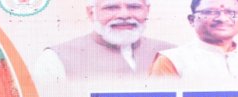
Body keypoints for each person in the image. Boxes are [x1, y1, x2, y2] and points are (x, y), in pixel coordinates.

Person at [36, 0, 173, 80]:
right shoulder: (55, 59)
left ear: (147, 10)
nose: (124, 15)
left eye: (134, 7)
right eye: (111, 7)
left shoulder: (172, 54)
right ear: (91, 13)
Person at [150, 0, 238, 85]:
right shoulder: (172, 60)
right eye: (210, 12)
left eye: (231, 12)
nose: (222, 18)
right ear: (192, 20)